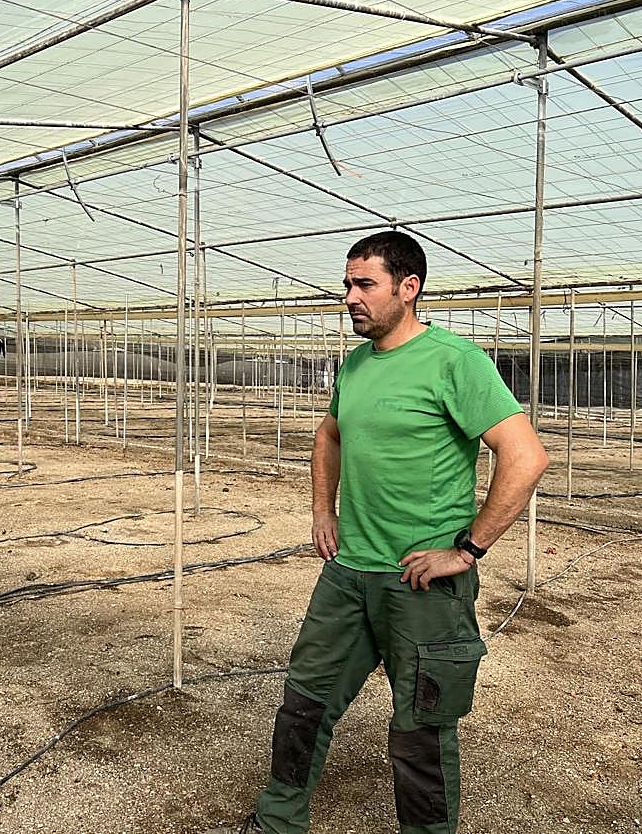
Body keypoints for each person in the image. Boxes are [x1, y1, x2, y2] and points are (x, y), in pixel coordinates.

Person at [218, 231, 549, 834]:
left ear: (408, 287)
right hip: (348, 573)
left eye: (364, 284)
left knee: (421, 729)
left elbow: (525, 457)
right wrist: (323, 511)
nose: (350, 296)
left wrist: (467, 549)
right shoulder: (356, 364)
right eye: (347, 284)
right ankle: (278, 821)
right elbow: (329, 435)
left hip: (419, 585)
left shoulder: (456, 361)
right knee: (304, 704)